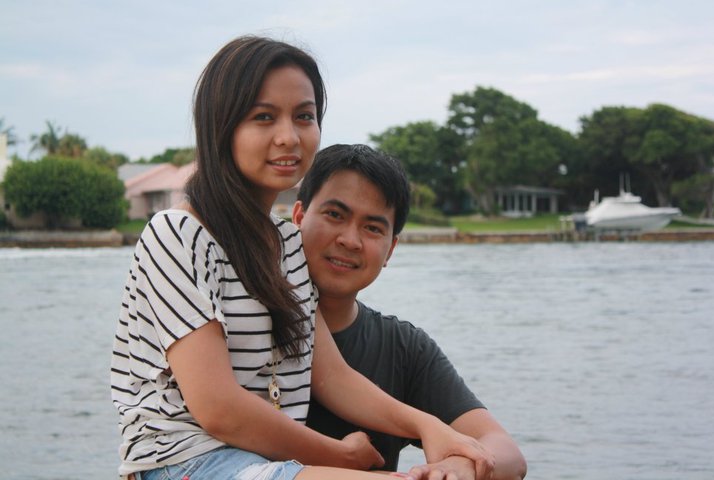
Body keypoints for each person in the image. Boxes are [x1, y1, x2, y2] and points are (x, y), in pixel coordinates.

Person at [110, 36, 490, 480]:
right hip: (185, 462)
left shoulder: (286, 245)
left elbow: (331, 377)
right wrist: (341, 456)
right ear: (221, 126)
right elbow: (218, 409)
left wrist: (429, 427)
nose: (288, 137)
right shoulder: (178, 235)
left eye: (304, 117)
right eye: (264, 117)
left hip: (265, 464)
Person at [293, 144, 527, 480]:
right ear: (298, 217)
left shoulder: (403, 348)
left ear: (391, 249)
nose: (350, 240)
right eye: (335, 215)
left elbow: (506, 452)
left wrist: (455, 468)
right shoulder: (244, 317)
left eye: (373, 228)